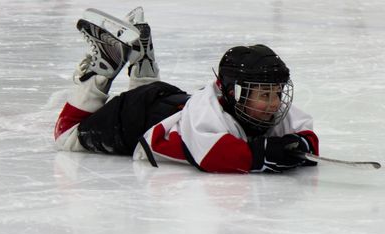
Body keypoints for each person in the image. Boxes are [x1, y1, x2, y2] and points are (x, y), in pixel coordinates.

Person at [54, 7, 319, 174]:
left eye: (277, 93)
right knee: (65, 136)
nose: (275, 103)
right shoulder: (210, 112)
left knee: (149, 94)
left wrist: (300, 145)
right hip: (130, 118)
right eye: (265, 95)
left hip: (163, 99)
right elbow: (214, 155)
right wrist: (265, 154)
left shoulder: (257, 106)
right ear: (234, 93)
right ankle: (102, 69)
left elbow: (306, 131)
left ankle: (144, 66)